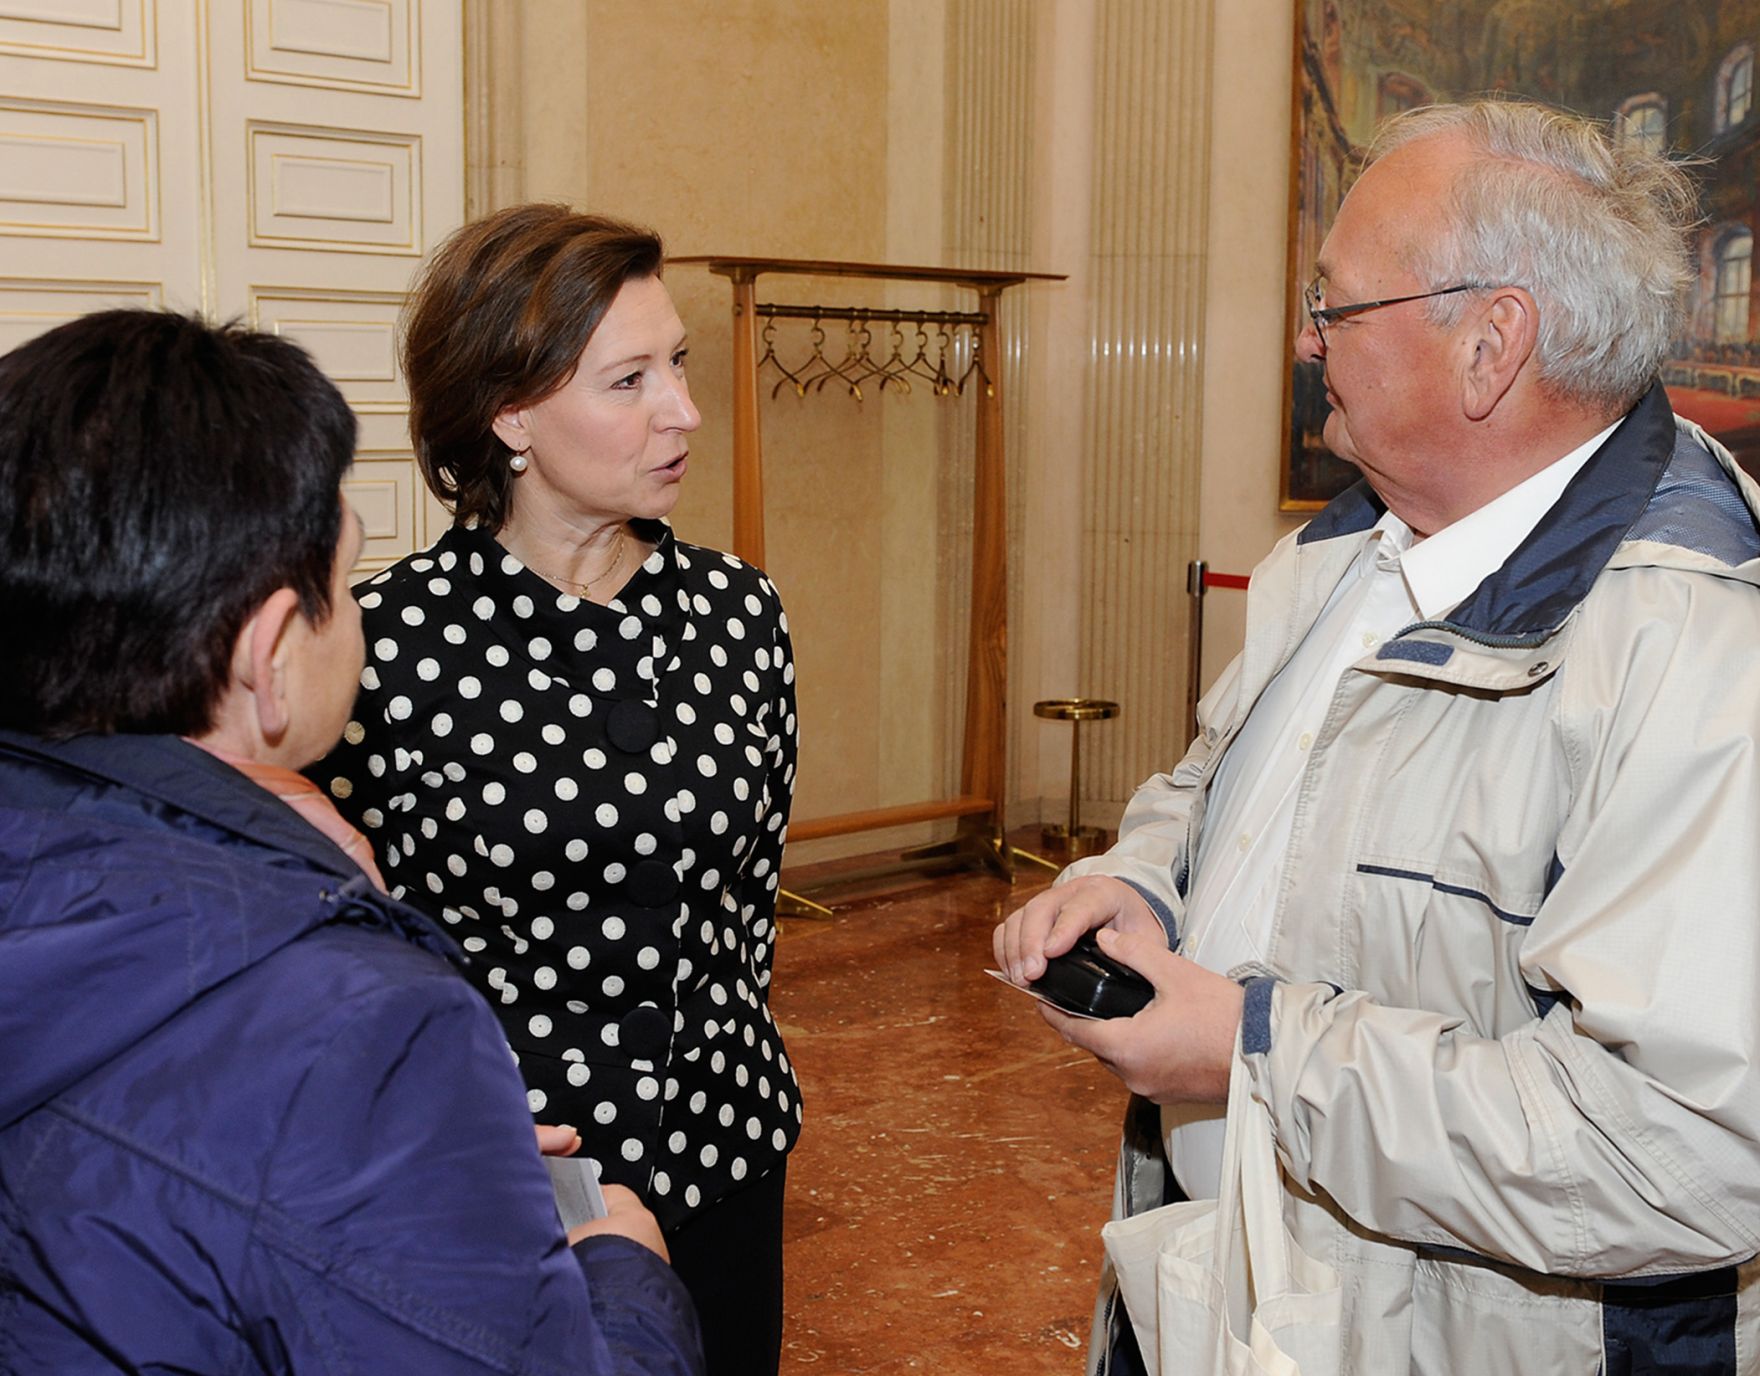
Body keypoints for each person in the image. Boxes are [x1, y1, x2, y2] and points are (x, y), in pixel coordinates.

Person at [995, 99, 1760, 1374]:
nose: (1304, 337)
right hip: (1251, 1281)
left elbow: (1673, 1141)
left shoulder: (1692, 639)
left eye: (1335, 306)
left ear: (1488, 345)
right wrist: (1133, 878)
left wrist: (1254, 1047)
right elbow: (1213, 785)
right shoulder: (1342, 551)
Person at [0, 310, 701, 1373]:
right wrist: (623, 1273)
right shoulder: (365, 1021)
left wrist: (416, 1162)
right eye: (344, 576)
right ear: (270, 650)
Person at [312, 205, 800, 1376]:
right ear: (511, 412)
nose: (681, 409)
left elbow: (744, 917)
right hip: (504, 1183)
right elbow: (339, 955)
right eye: (626, 380)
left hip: (727, 1152)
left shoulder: (742, 614)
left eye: (675, 363)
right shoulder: (384, 647)